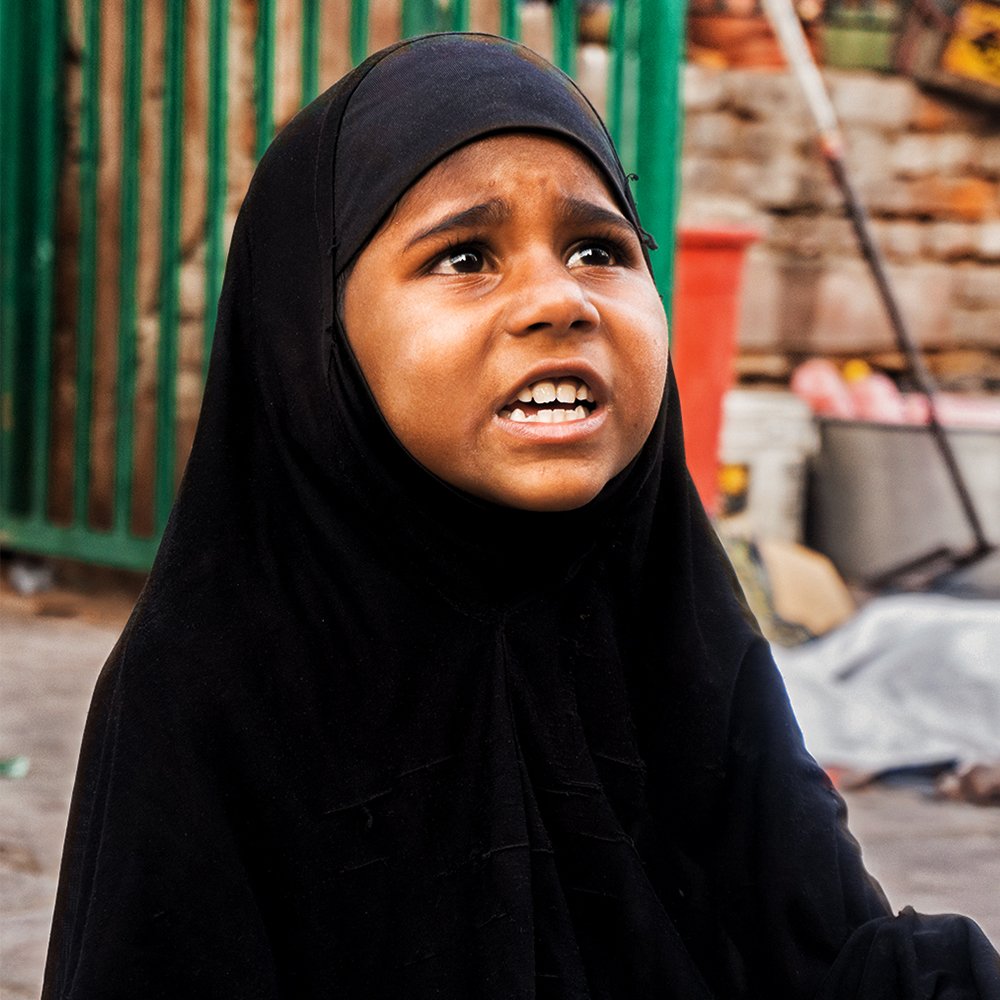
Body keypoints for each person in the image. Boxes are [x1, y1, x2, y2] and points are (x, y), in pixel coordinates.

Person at [43, 32, 999, 1000]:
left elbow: (828, 958)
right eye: (464, 256)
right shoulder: (214, 682)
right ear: (317, 335)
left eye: (598, 249)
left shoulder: (676, 630)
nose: (558, 300)